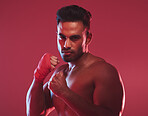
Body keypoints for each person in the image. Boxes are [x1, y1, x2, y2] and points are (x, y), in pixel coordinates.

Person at [26, 5, 125, 116]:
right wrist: (38, 77)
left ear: (88, 39)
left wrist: (65, 93)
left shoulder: (103, 72)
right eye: (62, 37)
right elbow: (34, 114)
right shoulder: (60, 73)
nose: (66, 45)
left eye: (74, 38)